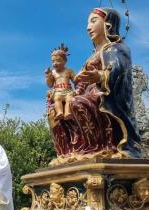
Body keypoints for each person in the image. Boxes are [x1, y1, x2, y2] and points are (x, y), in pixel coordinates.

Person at [48, 7, 142, 165]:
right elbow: (80, 79)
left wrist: (99, 76)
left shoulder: (117, 49)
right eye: (87, 23)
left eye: (93, 21)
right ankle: (71, 150)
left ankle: (96, 148)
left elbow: (118, 71)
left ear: (108, 24)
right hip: (86, 92)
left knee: (76, 103)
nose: (88, 27)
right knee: (54, 109)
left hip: (105, 94)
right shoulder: (92, 55)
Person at [45, 43, 76, 120]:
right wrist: (48, 76)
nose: (55, 63)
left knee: (69, 99)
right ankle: (59, 112)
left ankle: (67, 112)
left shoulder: (69, 71)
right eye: (53, 61)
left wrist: (78, 88)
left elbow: (76, 80)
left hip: (68, 91)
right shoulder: (53, 72)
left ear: (65, 61)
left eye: (58, 60)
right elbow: (49, 85)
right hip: (58, 91)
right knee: (57, 99)